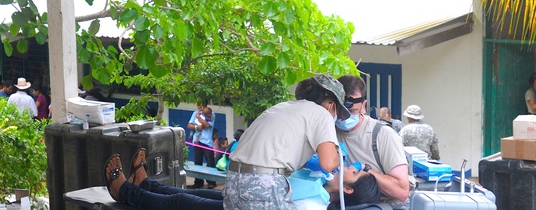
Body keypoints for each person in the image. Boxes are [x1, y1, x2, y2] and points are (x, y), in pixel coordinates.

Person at [223, 74, 349, 210]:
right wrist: (337, 156)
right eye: (337, 112)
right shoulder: (322, 113)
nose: (335, 117)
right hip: (264, 184)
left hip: (233, 180)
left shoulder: (281, 107)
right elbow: (328, 163)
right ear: (331, 105)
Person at [104, 149, 378, 210]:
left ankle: (125, 190)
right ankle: (145, 184)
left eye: (352, 171)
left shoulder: (314, 205)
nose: (347, 166)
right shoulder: (319, 179)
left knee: (182, 200)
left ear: (347, 190)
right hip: (243, 197)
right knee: (183, 194)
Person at [335, 75, 411, 209]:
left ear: (363, 106)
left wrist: (365, 171)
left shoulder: (382, 135)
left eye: (351, 111)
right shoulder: (329, 131)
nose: (343, 117)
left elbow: (402, 192)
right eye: (340, 111)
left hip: (380, 205)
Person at [187, 103, 216, 189]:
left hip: (207, 142)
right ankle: (198, 182)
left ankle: (211, 182)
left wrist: (199, 118)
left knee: (210, 162)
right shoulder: (195, 113)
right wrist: (196, 127)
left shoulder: (211, 114)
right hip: (197, 141)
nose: (197, 105)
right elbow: (189, 125)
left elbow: (207, 125)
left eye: (200, 104)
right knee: (197, 162)